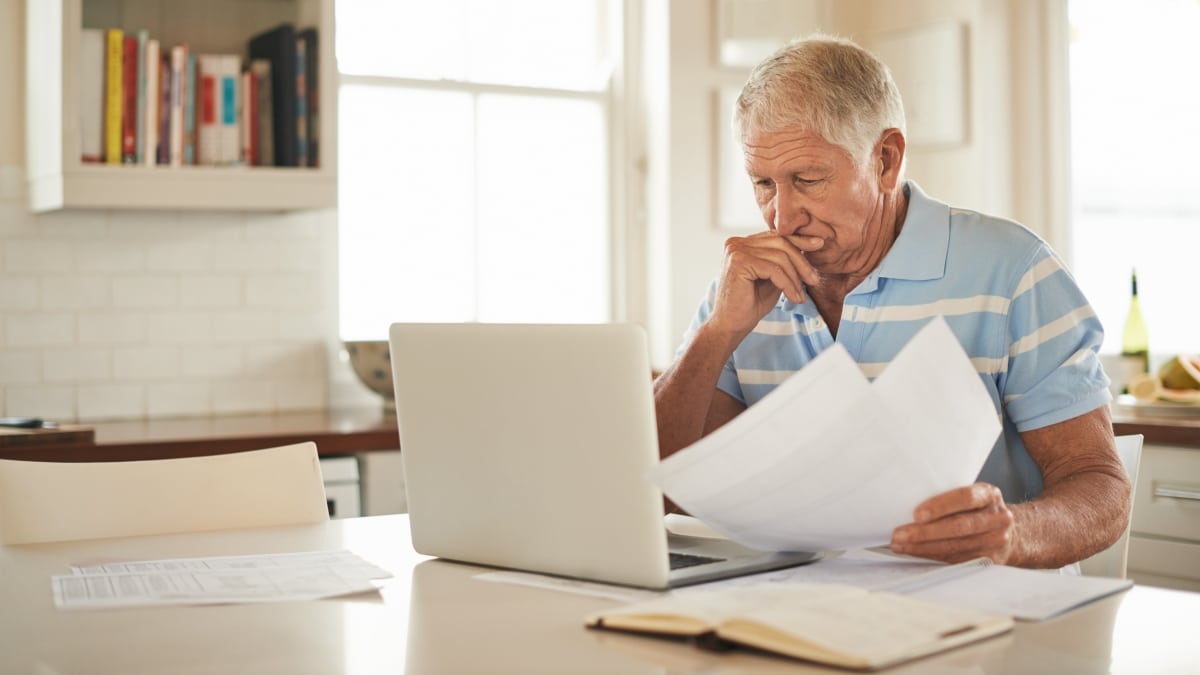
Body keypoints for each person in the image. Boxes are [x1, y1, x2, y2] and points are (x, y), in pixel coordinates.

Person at [653, 34, 1130, 569]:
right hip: (799, 615)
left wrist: (1010, 533)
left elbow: (1102, 489)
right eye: (763, 183)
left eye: (808, 180)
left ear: (885, 160)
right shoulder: (742, 288)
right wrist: (716, 334)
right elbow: (661, 494)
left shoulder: (1014, 271)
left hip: (984, 615)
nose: (780, 217)